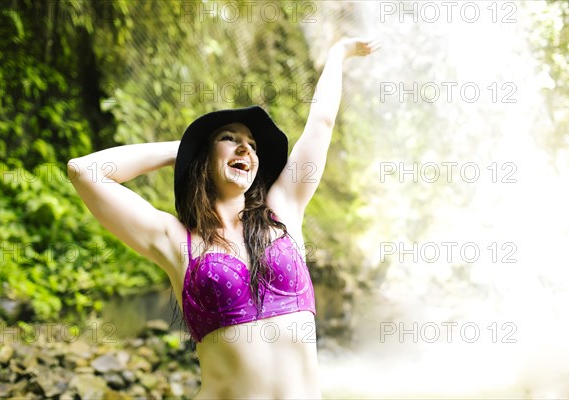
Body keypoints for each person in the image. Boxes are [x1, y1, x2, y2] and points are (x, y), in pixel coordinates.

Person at [68, 37, 380, 399]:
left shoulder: (284, 208)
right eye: (229, 139)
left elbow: (322, 122)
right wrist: (181, 150)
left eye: (252, 144)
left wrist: (339, 53)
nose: (244, 147)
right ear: (205, 158)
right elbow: (84, 171)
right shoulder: (175, 240)